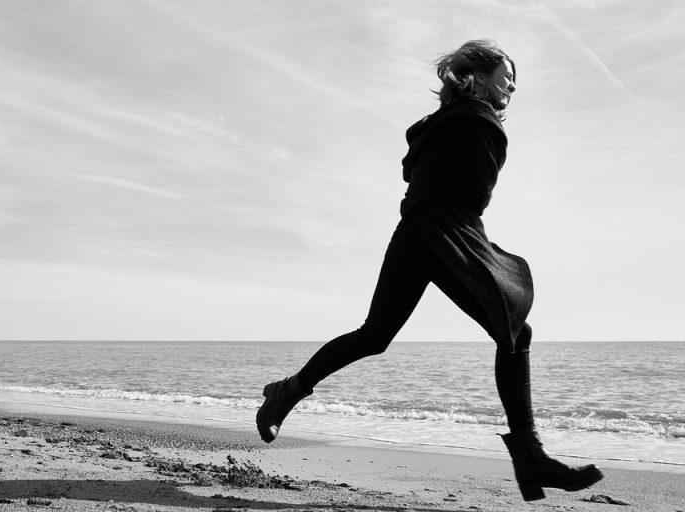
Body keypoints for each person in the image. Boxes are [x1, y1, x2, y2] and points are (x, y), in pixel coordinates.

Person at [255, 40, 604, 502]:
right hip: (443, 235)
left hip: (420, 231)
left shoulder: (438, 123)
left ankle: (287, 392)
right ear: (479, 77)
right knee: (513, 332)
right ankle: (530, 457)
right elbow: (478, 197)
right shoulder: (478, 122)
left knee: (376, 335)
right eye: (506, 76)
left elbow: (419, 173)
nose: (513, 86)